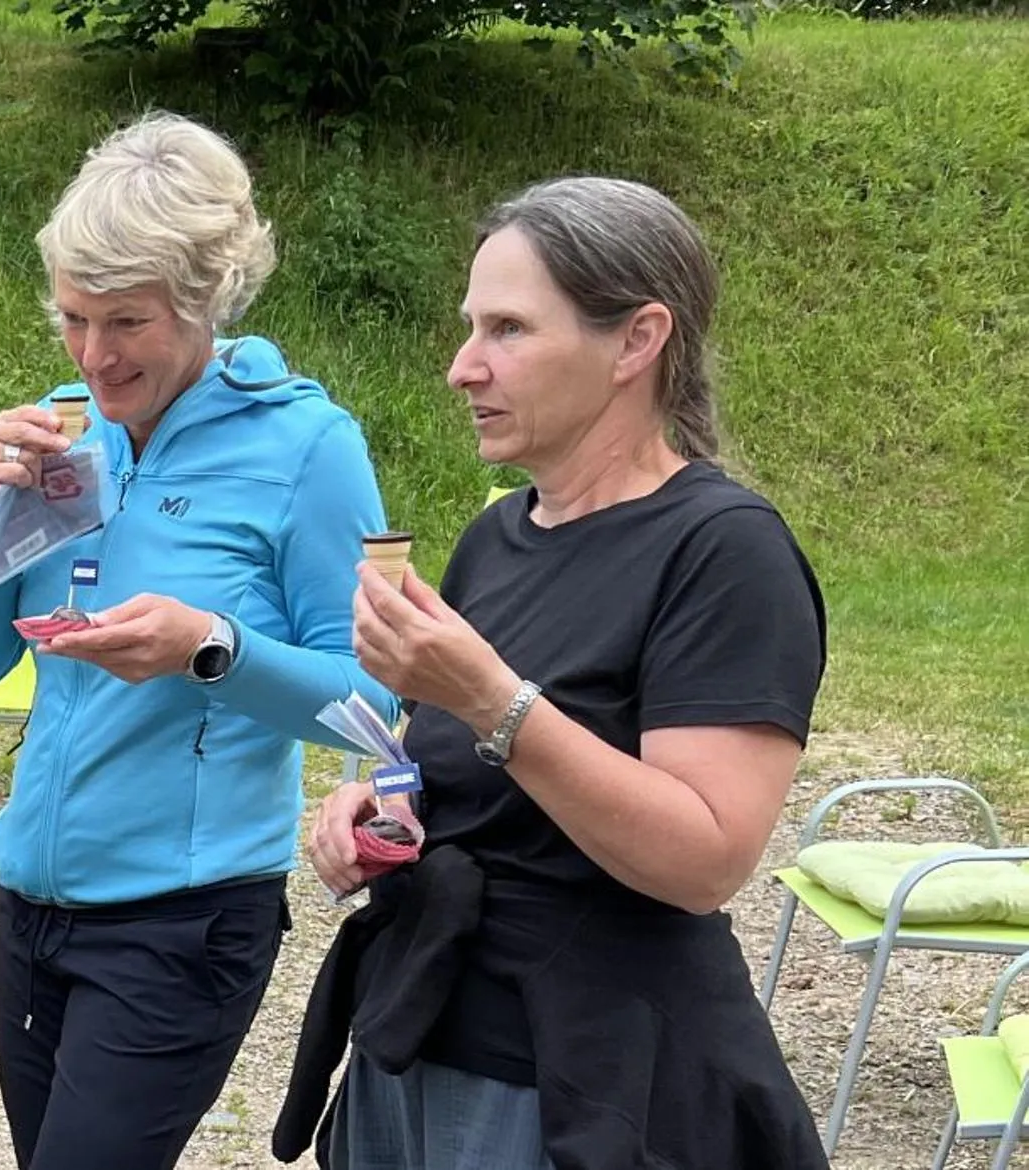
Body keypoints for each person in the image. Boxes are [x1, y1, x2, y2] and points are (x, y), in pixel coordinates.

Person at [275, 177, 830, 1169]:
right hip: (414, 1033)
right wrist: (373, 804)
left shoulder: (725, 551)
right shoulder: (501, 534)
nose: (462, 367)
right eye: (468, 327)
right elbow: (452, 764)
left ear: (636, 340)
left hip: (583, 1079)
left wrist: (495, 700)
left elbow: (705, 859)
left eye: (509, 330)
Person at [0, 111, 398, 1169]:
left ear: (204, 299)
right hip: (31, 902)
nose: (94, 355)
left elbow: (372, 704)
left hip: (181, 922)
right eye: (72, 317)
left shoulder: (310, 447)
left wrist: (213, 648)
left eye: (126, 322)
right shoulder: (65, 428)